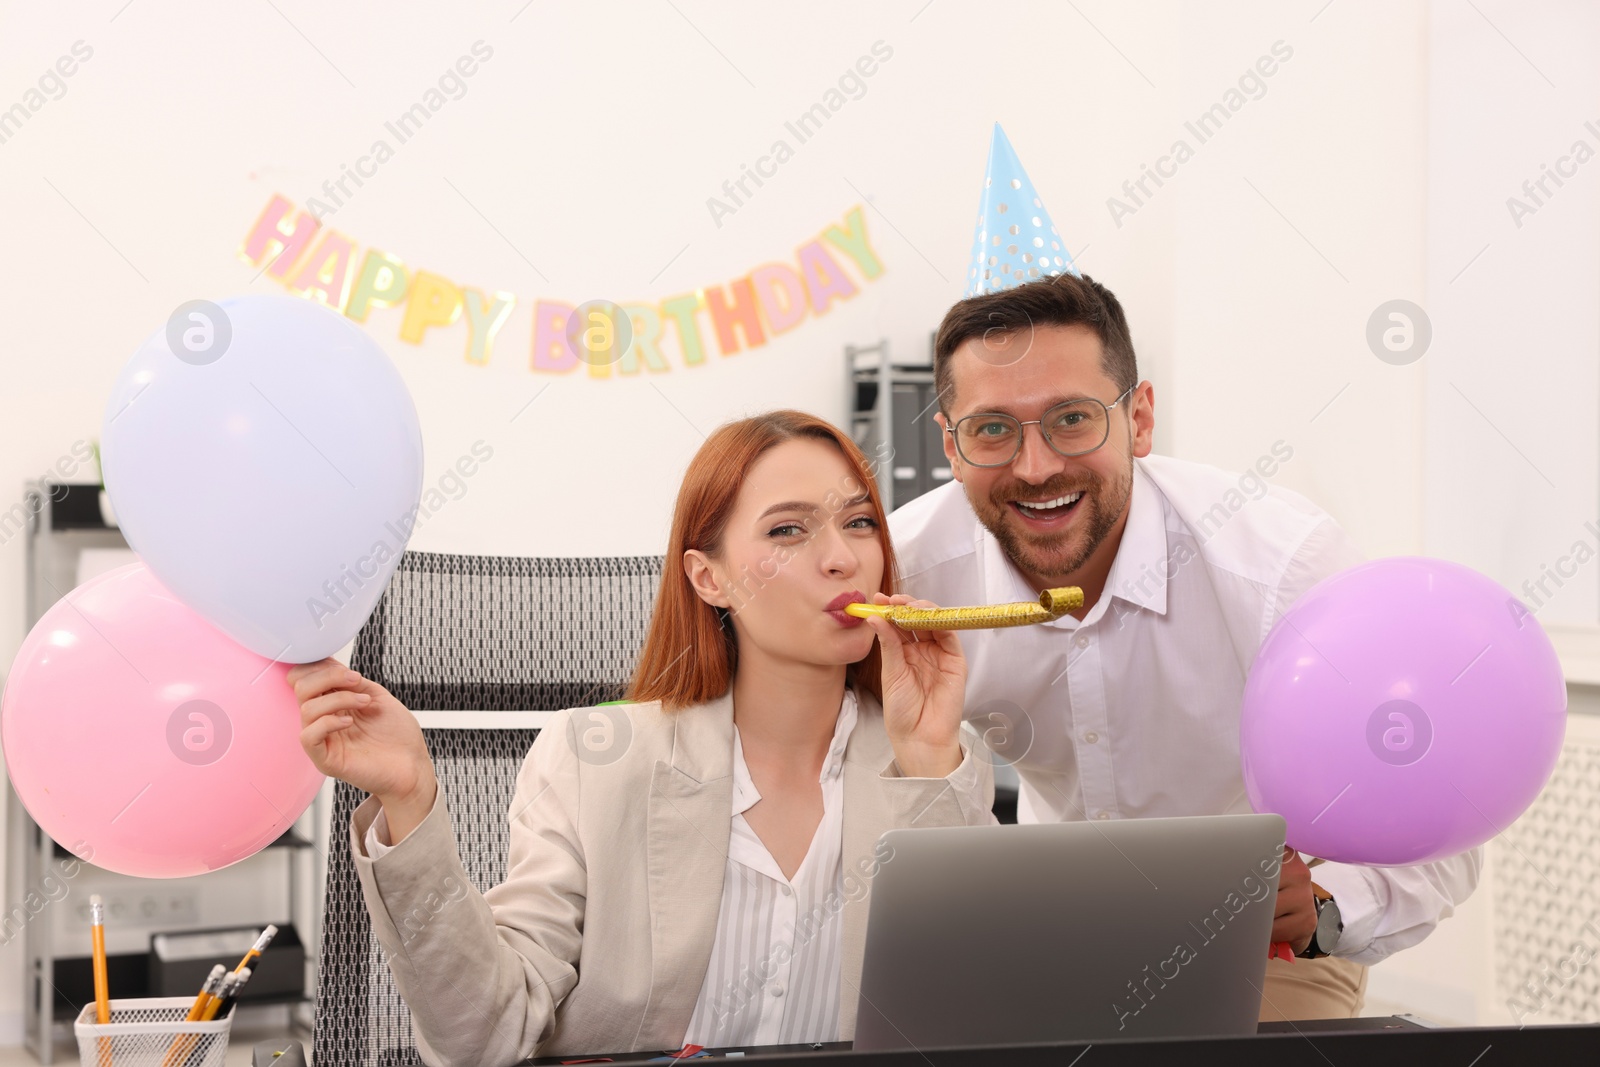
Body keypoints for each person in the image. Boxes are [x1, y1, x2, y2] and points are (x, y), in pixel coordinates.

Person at [291, 410, 995, 1065]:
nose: (842, 557)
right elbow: (486, 1031)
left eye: (861, 521)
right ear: (708, 577)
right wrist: (412, 799)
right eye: (788, 530)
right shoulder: (591, 759)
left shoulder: (936, 756)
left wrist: (929, 763)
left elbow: (974, 1024)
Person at [889, 271, 1481, 1021]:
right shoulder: (907, 575)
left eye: (1072, 418)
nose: (1035, 467)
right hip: (1046, 940)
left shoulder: (1282, 569)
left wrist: (1326, 907)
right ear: (951, 444)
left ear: (1139, 418)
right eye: (993, 428)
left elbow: (1443, 818)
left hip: (1260, 949)